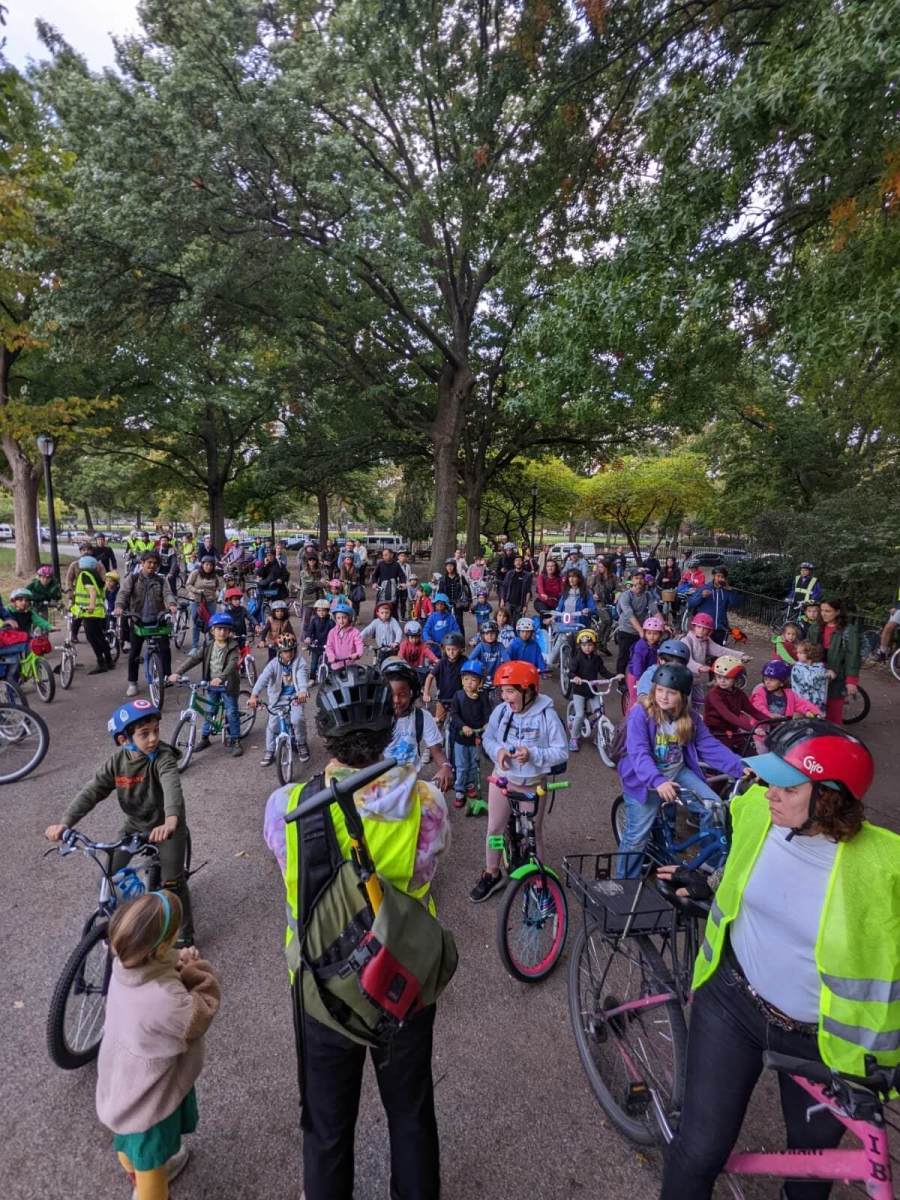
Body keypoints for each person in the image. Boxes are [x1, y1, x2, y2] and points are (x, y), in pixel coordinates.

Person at [657, 720, 899, 1200]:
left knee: (811, 1178)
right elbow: (737, 864)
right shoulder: (756, 812)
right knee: (699, 1151)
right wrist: (708, 880)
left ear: (828, 796)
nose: (767, 792)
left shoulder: (886, 866)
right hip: (733, 1005)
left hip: (824, 1043)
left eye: (784, 785)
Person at [263, 666, 449, 1200]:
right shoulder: (425, 803)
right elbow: (425, 873)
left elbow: (286, 870)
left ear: (325, 733)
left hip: (321, 982)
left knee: (326, 1124)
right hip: (402, 975)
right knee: (410, 1111)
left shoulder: (288, 808)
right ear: (392, 726)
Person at [95, 892, 219, 1200]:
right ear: (161, 947)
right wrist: (194, 967)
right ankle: (148, 1186)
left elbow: (159, 969)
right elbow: (202, 1010)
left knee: (128, 1143)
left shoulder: (124, 964)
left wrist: (177, 959)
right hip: (150, 1100)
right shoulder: (166, 1001)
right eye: (173, 937)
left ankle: (135, 1170)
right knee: (151, 1161)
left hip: (121, 1084)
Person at [44, 699, 195, 943]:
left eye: (156, 730)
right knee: (110, 874)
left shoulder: (162, 758)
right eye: (144, 734)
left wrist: (171, 821)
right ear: (124, 739)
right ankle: (123, 922)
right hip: (135, 825)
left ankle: (185, 935)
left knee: (172, 884)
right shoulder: (117, 764)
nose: (153, 738)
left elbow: (172, 788)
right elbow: (92, 791)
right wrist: (65, 823)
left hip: (166, 827)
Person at [615, 663, 746, 878]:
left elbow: (709, 747)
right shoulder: (641, 713)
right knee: (637, 836)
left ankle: (710, 869)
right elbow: (639, 752)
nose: (664, 697)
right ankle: (623, 882)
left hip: (677, 773)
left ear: (683, 696)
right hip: (644, 779)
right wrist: (657, 781)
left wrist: (741, 767)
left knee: (713, 807)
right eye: (660, 690)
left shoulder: (691, 719)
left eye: (671, 693)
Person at [470, 660, 568, 902]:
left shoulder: (547, 715)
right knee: (494, 828)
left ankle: (538, 879)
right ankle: (492, 872)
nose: (504, 697)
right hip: (503, 780)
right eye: (502, 691)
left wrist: (534, 754)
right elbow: (489, 738)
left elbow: (561, 751)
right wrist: (498, 752)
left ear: (529, 690)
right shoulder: (502, 711)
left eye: (510, 691)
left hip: (533, 784)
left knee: (533, 833)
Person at [170, 613, 244, 758]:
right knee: (209, 711)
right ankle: (205, 738)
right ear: (212, 630)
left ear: (229, 632)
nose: (222, 632)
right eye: (218, 629)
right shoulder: (208, 645)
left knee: (231, 712)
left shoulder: (233, 647)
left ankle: (236, 740)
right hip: (211, 684)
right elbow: (194, 659)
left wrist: (221, 678)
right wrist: (178, 672)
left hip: (227, 685)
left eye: (225, 629)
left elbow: (232, 665)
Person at [381, 656, 453, 786]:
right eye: (391, 695)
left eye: (402, 694)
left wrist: (445, 766)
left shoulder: (422, 717)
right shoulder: (377, 718)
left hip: (411, 784)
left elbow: (436, 751)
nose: (396, 700)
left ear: (412, 693)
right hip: (380, 785)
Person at [115, 551, 178, 695]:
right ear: (142, 563)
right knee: (134, 653)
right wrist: (119, 606)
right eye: (149, 562)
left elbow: (168, 594)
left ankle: (167, 676)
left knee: (165, 649)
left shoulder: (161, 580)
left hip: (158, 619)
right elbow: (123, 594)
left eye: (155, 563)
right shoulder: (133, 578)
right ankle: (133, 682)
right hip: (138, 620)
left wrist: (172, 604)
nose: (152, 565)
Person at [249, 631, 310, 766]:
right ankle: (270, 750)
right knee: (272, 725)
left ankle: (301, 744)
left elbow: (302, 677)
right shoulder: (273, 664)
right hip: (277, 699)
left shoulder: (300, 662)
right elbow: (262, 679)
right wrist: (254, 695)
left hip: (295, 698)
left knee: (297, 719)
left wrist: (303, 691)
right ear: (279, 652)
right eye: (284, 651)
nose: (288, 654)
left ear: (295, 650)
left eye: (290, 651)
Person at [805, 599, 860, 725]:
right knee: (813, 709)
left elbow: (853, 656)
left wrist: (851, 681)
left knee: (833, 713)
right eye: (822, 610)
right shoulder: (815, 627)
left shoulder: (848, 631)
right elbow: (807, 648)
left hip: (837, 677)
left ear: (837, 612)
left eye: (827, 611)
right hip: (816, 675)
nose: (823, 614)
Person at [449, 659, 493, 809]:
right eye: (466, 679)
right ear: (461, 680)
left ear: (480, 683)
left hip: (475, 737)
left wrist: (488, 723)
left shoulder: (482, 697)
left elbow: (488, 712)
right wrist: (463, 726)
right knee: (461, 765)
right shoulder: (458, 696)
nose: (469, 683)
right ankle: (459, 790)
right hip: (461, 738)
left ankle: (470, 784)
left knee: (474, 764)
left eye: (473, 680)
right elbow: (454, 715)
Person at [703, 655, 768, 750]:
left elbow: (753, 711)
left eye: (727, 678)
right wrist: (752, 728)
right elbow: (727, 715)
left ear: (736, 678)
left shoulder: (738, 694)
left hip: (732, 731)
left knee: (750, 751)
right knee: (732, 755)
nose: (722, 680)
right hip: (715, 733)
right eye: (719, 677)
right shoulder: (714, 695)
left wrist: (775, 723)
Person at [567, 628, 617, 752]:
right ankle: (574, 738)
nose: (587, 648)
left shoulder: (597, 659)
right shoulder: (577, 658)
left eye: (590, 645)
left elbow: (603, 671)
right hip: (579, 690)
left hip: (592, 690)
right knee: (579, 715)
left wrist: (614, 676)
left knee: (600, 713)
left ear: (594, 646)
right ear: (580, 646)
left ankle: (599, 736)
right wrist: (575, 677)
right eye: (584, 645)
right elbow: (570, 672)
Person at [750, 659, 822, 730]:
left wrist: (814, 712)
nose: (767, 682)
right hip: (762, 728)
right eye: (765, 679)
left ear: (782, 683)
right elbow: (758, 706)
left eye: (772, 680)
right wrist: (769, 715)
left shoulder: (790, 695)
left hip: (782, 729)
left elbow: (802, 704)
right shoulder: (761, 692)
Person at [613, 572, 659, 679]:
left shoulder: (648, 595)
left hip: (641, 631)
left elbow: (655, 611)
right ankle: (620, 679)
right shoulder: (625, 595)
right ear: (632, 580)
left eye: (641, 578)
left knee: (639, 656)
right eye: (636, 578)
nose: (639, 581)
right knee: (623, 656)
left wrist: (662, 625)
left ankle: (637, 678)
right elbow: (630, 615)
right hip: (626, 630)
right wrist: (641, 631)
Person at [422, 631, 466, 731]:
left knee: (462, 724)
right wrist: (425, 693)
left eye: (454, 649)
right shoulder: (442, 662)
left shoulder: (464, 661)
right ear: (444, 649)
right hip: (443, 699)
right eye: (448, 649)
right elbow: (430, 677)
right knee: (437, 724)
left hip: (459, 699)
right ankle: (432, 746)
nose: (451, 652)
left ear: (460, 649)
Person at [185, 557, 222, 653]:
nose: (208, 567)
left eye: (211, 565)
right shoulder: (195, 573)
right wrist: (197, 591)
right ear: (202, 564)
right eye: (206, 564)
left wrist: (218, 593)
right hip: (196, 601)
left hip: (210, 601)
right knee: (196, 622)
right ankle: (194, 646)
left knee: (211, 622)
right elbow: (188, 585)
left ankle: (211, 644)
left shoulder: (215, 576)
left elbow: (218, 587)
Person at [626, 615, 666, 702]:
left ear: (660, 635)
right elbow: (637, 663)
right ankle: (631, 715)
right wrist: (638, 679)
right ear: (644, 633)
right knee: (636, 701)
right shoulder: (641, 646)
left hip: (648, 674)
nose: (652, 636)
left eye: (655, 633)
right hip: (635, 676)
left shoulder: (656, 645)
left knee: (650, 698)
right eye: (649, 633)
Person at [790, 639, 830, 717]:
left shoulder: (819, 667)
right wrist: (825, 675)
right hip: (800, 704)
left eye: (800, 653)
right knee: (798, 724)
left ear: (810, 654)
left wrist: (825, 674)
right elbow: (808, 682)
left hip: (816, 704)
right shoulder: (797, 667)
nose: (797, 655)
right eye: (797, 652)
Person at [324, 598, 363, 669]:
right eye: (338, 618)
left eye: (344, 617)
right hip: (336, 664)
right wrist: (331, 656)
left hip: (350, 664)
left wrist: (358, 653)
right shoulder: (332, 632)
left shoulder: (355, 632)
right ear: (335, 619)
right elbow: (329, 646)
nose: (341, 621)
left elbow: (359, 644)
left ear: (349, 618)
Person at [360, 600, 403, 665]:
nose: (384, 615)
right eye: (382, 613)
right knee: (380, 663)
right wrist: (359, 638)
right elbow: (367, 630)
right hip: (381, 649)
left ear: (390, 612)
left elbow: (398, 631)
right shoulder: (376, 622)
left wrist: (396, 642)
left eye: (387, 612)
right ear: (378, 613)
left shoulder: (392, 621)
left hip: (393, 649)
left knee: (393, 665)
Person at [438, 556, 471, 635]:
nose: (449, 567)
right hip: (446, 604)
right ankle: (448, 642)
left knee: (459, 623)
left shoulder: (460, 578)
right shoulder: (443, 579)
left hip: (458, 604)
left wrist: (469, 601)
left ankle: (461, 644)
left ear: (454, 566)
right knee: (446, 623)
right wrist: (440, 603)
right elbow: (440, 592)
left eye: (451, 565)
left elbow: (467, 589)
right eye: (447, 566)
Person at [304, 597, 334, 679]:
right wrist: (308, 637)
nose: (321, 613)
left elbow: (334, 633)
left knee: (329, 663)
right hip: (316, 645)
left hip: (327, 645)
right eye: (319, 610)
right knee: (313, 663)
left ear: (328, 611)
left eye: (324, 610)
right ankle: (312, 678)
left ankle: (330, 678)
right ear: (316, 611)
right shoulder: (314, 620)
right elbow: (310, 630)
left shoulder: (331, 622)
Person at [371, 547, 406, 615]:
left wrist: (403, 583)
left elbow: (402, 575)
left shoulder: (396, 565)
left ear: (391, 555)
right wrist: (374, 583)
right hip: (382, 589)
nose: (384, 557)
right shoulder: (380, 564)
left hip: (393, 590)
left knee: (393, 610)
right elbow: (374, 575)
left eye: (386, 555)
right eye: (383, 555)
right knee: (379, 608)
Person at [258, 597, 294, 662]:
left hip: (283, 642)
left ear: (285, 612)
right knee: (271, 659)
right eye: (277, 611)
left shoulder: (286, 621)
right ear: (273, 612)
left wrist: (293, 640)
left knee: (286, 659)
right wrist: (262, 641)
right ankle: (269, 671)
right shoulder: (270, 620)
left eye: (281, 611)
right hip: (272, 642)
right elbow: (265, 631)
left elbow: (291, 632)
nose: (279, 613)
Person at [499, 554, 532, 624]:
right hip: (509, 602)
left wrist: (525, 605)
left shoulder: (527, 575)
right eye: (516, 561)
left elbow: (528, 592)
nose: (518, 562)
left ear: (522, 562)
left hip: (520, 604)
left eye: (520, 561)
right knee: (506, 622)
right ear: (514, 563)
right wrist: (502, 599)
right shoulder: (509, 573)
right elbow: (504, 587)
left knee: (517, 623)